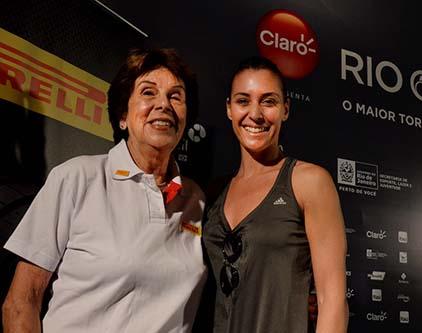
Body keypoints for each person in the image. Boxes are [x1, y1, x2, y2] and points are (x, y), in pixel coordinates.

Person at [2, 48, 207, 332]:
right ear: (123, 115)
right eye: (148, 93)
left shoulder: (197, 200)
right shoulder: (76, 179)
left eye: (176, 96)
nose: (164, 104)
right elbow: (22, 302)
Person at [202, 56, 348, 333]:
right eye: (243, 101)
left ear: (285, 109)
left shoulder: (309, 181)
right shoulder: (212, 192)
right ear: (229, 109)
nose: (255, 114)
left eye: (268, 101)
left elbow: (333, 301)